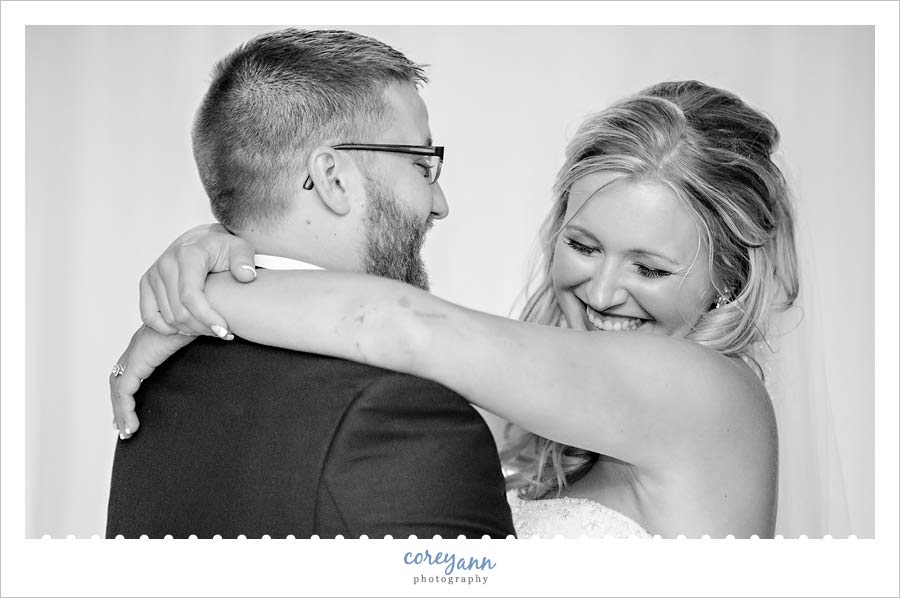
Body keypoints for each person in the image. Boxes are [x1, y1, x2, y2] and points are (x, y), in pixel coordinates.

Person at [112, 79, 799, 539]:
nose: (603, 290)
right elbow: (379, 331)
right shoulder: (536, 405)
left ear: (730, 277)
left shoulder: (709, 398)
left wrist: (211, 289)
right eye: (585, 246)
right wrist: (223, 244)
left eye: (649, 267)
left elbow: (401, 327)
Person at [105, 28, 515, 539]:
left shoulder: (158, 379)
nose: (439, 203)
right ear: (332, 177)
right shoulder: (399, 414)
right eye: (421, 163)